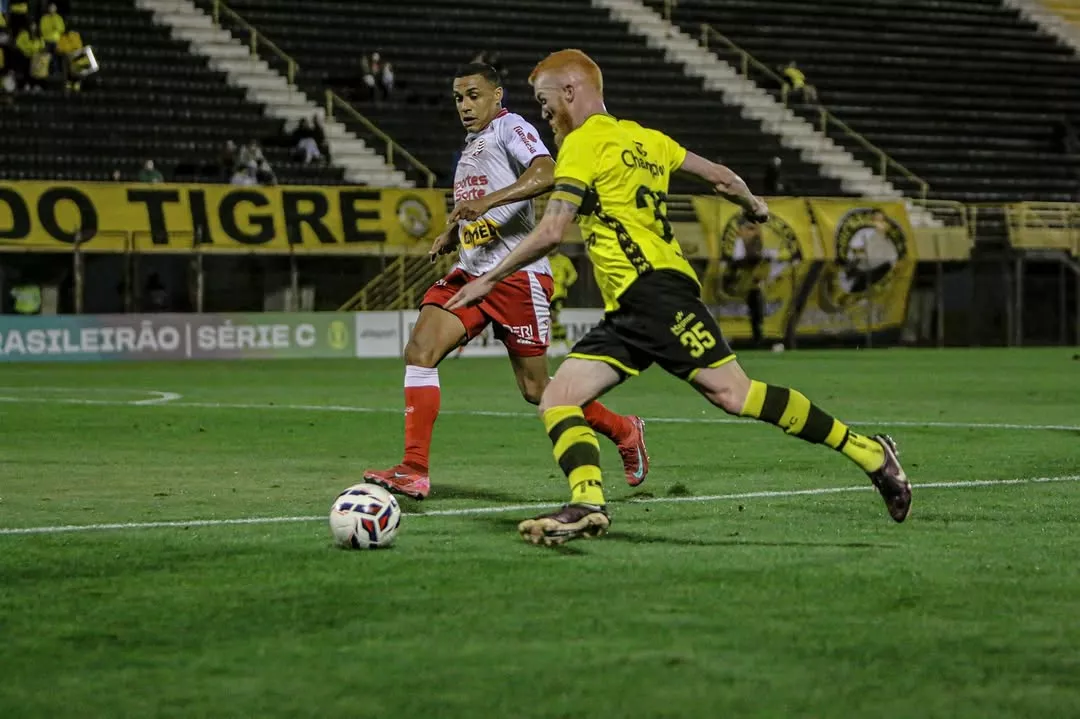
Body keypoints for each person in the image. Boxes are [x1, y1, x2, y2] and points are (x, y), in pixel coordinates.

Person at [446, 49, 911, 545]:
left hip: (656, 294)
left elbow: (553, 230)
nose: (543, 112)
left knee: (735, 394)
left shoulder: (583, 143)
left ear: (570, 92)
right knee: (558, 397)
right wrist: (753, 206)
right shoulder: (647, 139)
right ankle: (586, 502)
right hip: (634, 305)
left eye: (544, 101)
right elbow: (720, 177)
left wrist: (489, 277)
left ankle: (870, 453)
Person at [364, 62, 650, 501]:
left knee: (537, 390)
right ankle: (414, 469)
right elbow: (480, 210)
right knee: (419, 350)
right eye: (459, 97)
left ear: (497, 96)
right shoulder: (472, 145)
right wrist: (453, 233)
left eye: (474, 95)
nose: (465, 105)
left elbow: (548, 171)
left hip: (517, 277)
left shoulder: (509, 127)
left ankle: (625, 429)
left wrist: (489, 200)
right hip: (472, 273)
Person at [548, 249, 577, 345]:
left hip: (559, 293)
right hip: (547, 293)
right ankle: (561, 338)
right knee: (552, 317)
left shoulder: (564, 260)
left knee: (553, 314)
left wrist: (567, 282)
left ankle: (559, 338)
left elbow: (573, 274)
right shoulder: (544, 260)